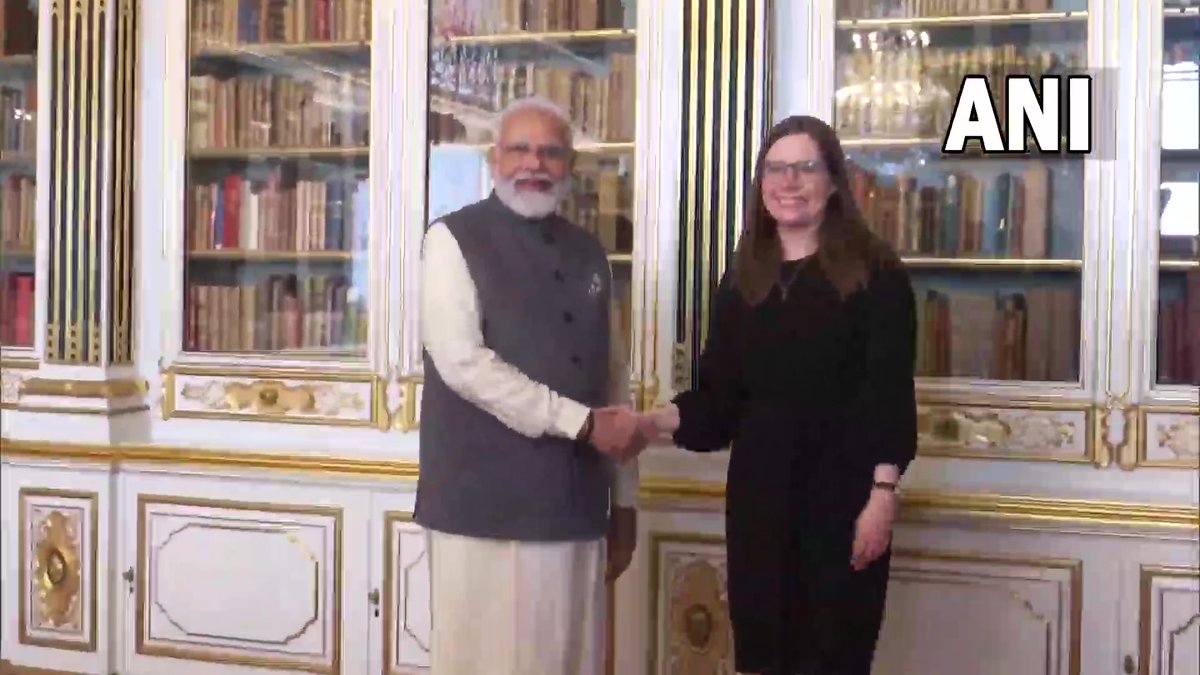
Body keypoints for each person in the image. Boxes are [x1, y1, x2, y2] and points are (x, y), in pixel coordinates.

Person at [645, 114, 918, 675]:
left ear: (834, 181)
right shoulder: (742, 278)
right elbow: (718, 402)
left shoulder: (877, 274)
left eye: (805, 168)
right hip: (760, 502)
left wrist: (883, 494)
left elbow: (889, 394)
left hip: (844, 499)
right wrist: (649, 422)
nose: (788, 182)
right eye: (775, 169)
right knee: (763, 656)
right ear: (761, 183)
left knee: (833, 657)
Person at [415, 96, 645, 675]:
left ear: (570, 165)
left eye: (550, 151)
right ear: (493, 159)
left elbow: (612, 379)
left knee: (569, 660)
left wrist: (626, 502)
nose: (533, 164)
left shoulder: (590, 253)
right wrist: (580, 423)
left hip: (576, 509)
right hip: (483, 509)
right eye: (519, 149)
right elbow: (463, 363)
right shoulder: (451, 239)